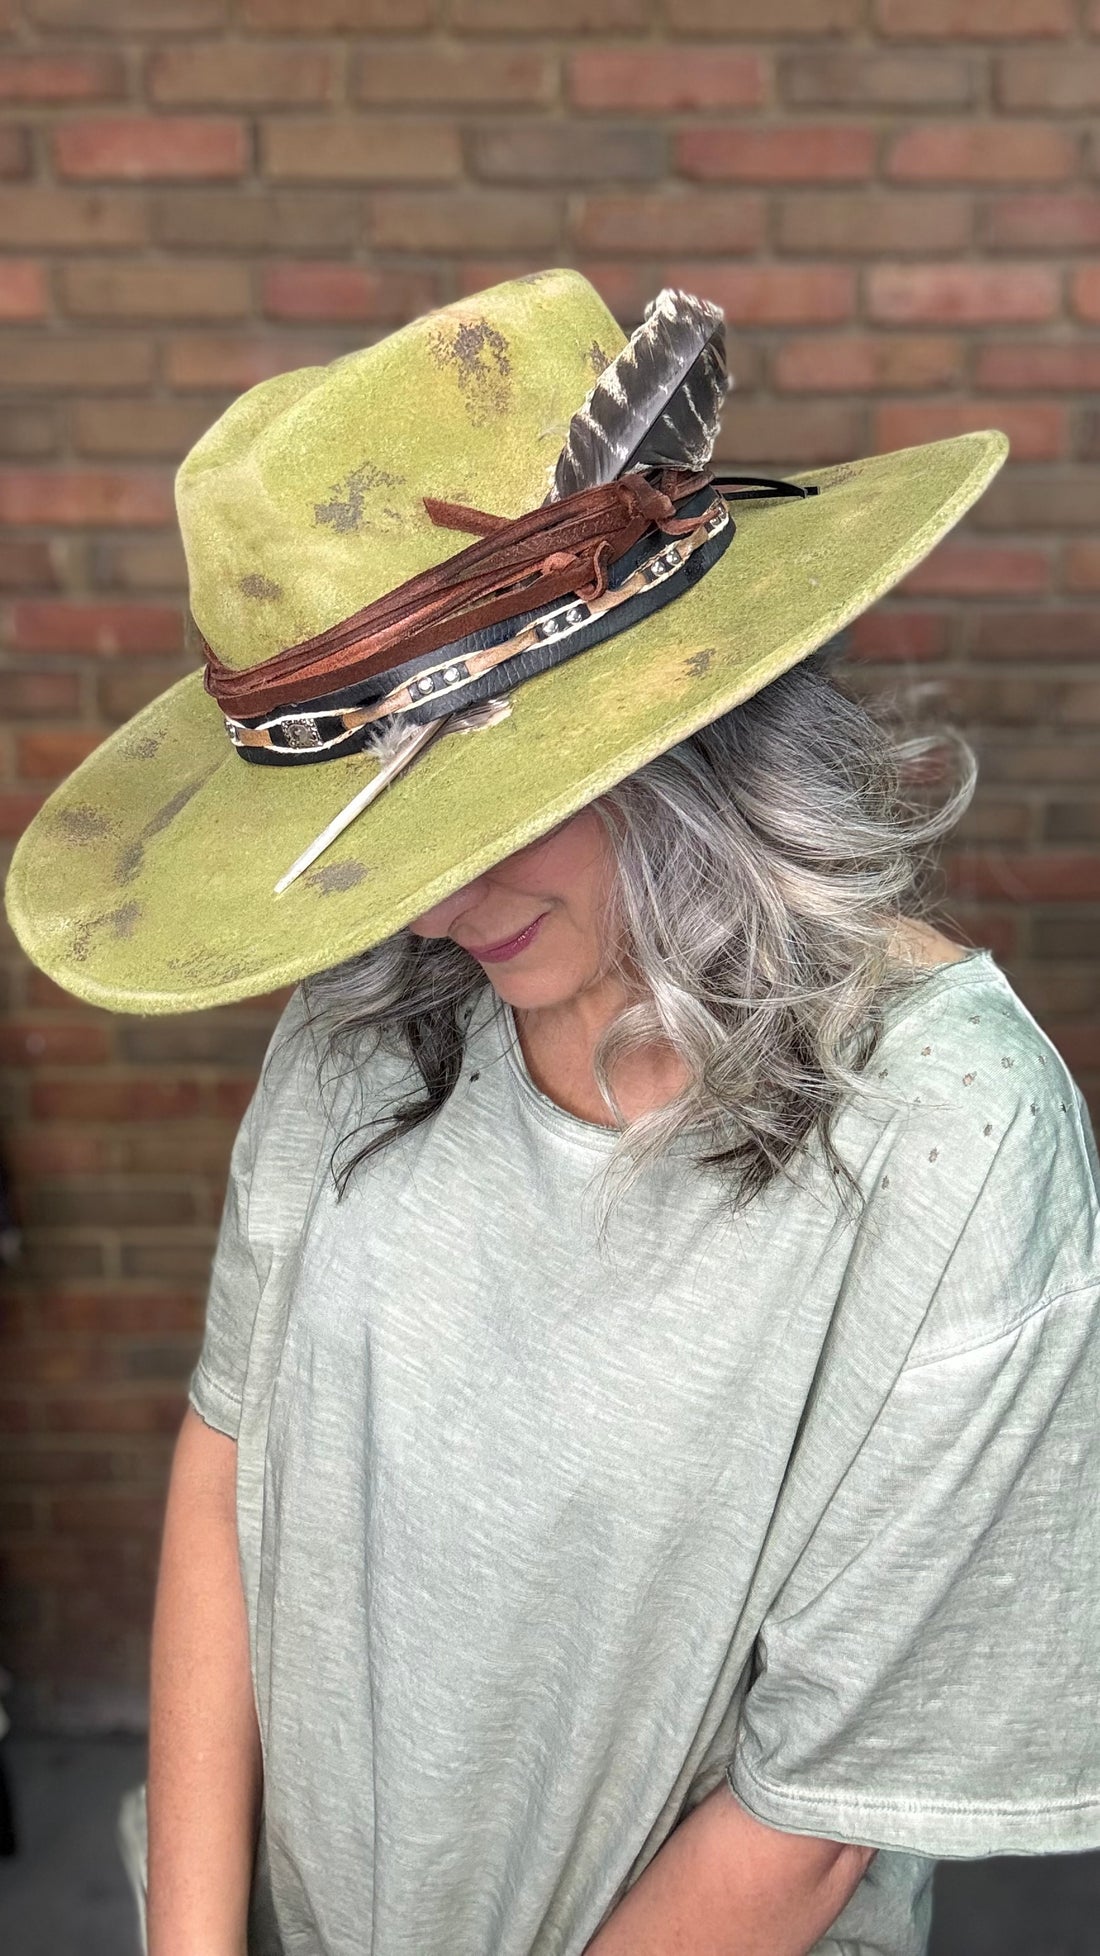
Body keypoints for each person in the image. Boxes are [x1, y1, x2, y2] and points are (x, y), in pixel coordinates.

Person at [6, 272, 1099, 1956]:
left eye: (482, 815)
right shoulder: (370, 1020)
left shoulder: (947, 1142)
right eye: (387, 837)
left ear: (684, 725)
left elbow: (806, 1816)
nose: (431, 909)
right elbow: (233, 1461)